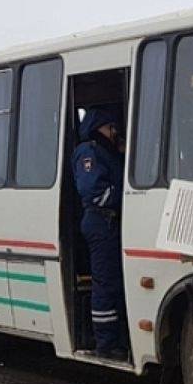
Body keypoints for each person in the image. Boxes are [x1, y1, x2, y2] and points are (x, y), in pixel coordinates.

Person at [73, 106, 128, 361]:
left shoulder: (107, 152)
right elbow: (96, 193)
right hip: (99, 222)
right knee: (105, 283)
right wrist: (128, 195)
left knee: (115, 281)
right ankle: (106, 344)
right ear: (99, 127)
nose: (114, 132)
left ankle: (118, 338)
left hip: (110, 224)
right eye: (110, 127)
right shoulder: (88, 152)